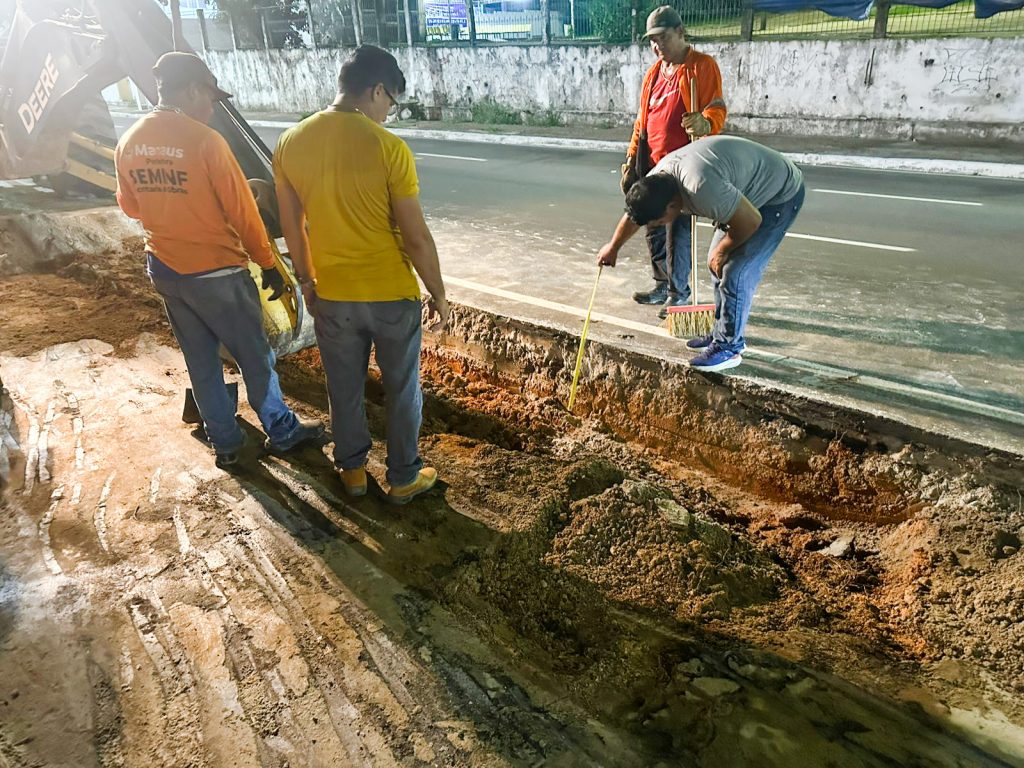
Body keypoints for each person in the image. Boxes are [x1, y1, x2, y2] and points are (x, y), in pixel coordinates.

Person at [114, 52, 323, 468]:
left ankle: (225, 442)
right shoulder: (206, 141)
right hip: (217, 273)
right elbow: (245, 216)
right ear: (193, 90)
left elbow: (131, 206)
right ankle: (281, 430)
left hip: (166, 269)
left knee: (201, 359)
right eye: (210, 98)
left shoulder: (129, 141)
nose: (211, 108)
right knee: (255, 355)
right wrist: (268, 264)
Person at [273, 45, 448, 505]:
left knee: (344, 386)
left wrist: (307, 281)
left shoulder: (291, 142)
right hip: (391, 295)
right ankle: (403, 476)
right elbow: (416, 238)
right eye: (390, 101)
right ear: (376, 90)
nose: (388, 112)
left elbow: (293, 227)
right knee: (402, 389)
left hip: (333, 295)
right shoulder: (388, 147)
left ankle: (352, 470)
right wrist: (438, 293)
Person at [598, 135, 806, 373]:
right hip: (743, 192)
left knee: (735, 271)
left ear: (672, 206)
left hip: (777, 196)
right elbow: (634, 215)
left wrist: (723, 250)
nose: (659, 226)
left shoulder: (702, 188)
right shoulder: (656, 181)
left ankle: (729, 347)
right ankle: (721, 332)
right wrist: (613, 247)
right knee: (716, 264)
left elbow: (750, 221)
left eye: (660, 222)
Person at [621, 5, 727, 320]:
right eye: (653, 41)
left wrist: (706, 122)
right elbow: (642, 121)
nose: (658, 46)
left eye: (663, 38)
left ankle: (679, 293)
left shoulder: (701, 67)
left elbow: (716, 108)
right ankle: (661, 283)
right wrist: (631, 157)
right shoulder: (654, 73)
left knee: (678, 232)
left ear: (680, 32)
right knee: (652, 225)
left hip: (683, 166)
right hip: (653, 164)